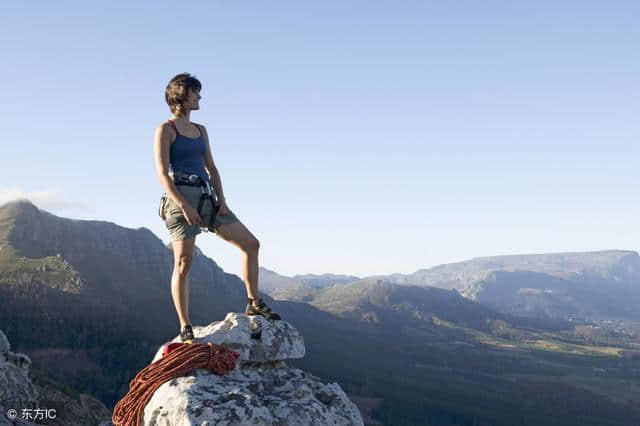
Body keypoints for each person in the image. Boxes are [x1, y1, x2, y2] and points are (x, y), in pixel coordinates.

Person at [154, 73, 280, 343]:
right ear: (180, 95)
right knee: (184, 262)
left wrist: (222, 199)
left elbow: (212, 168)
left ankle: (253, 301)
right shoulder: (165, 130)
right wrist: (184, 206)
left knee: (251, 244)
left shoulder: (201, 130)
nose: (199, 97)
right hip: (181, 198)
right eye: (195, 92)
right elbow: (163, 175)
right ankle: (185, 326)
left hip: (207, 197)